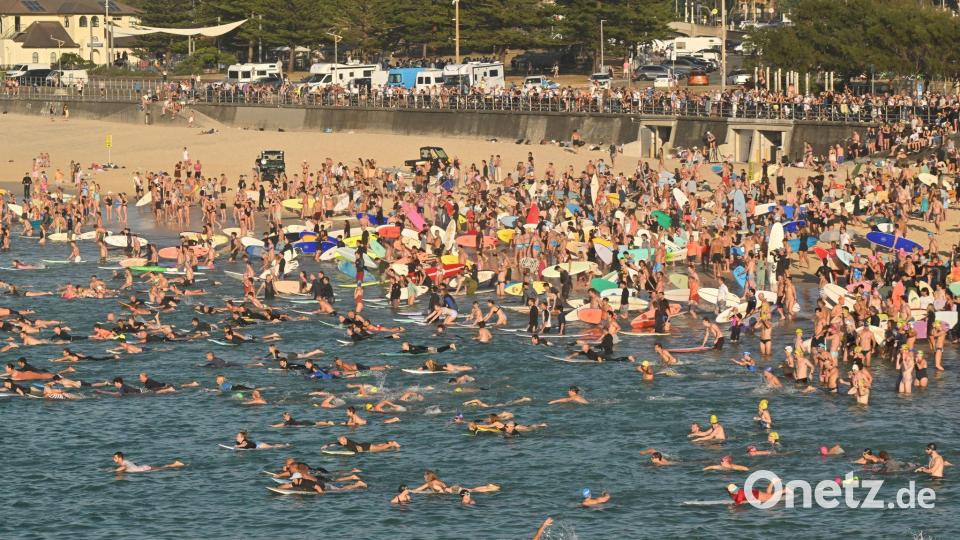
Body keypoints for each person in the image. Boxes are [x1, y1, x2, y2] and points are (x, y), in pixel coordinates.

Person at [112, 451, 184, 473]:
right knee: (162, 467)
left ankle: (176, 464)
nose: (113, 459)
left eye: (115, 458)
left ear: (120, 458)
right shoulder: (125, 461)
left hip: (144, 469)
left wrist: (115, 471)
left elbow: (123, 467)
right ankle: (176, 464)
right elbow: (133, 465)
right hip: (143, 467)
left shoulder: (124, 463)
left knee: (163, 468)